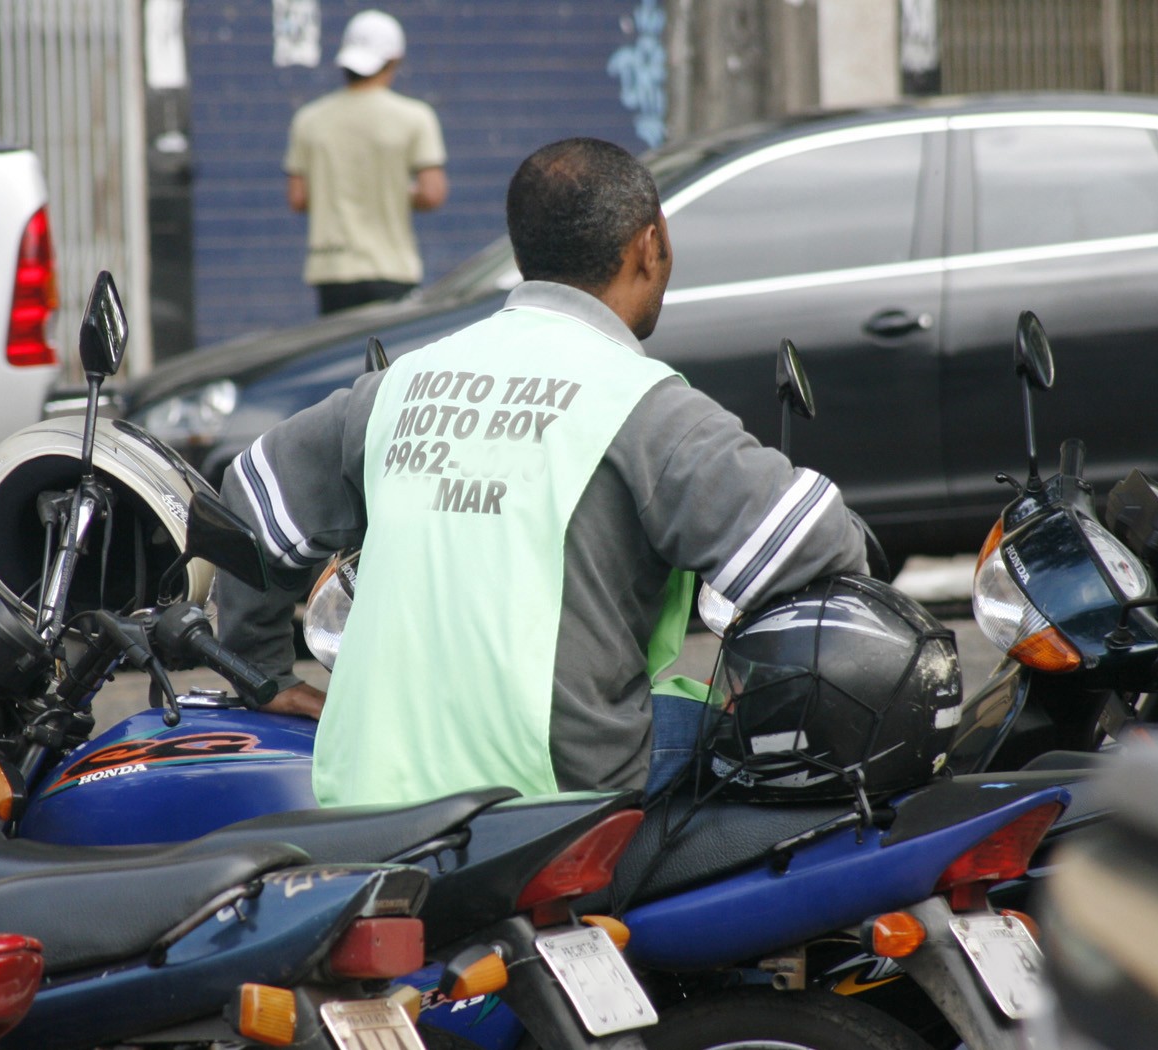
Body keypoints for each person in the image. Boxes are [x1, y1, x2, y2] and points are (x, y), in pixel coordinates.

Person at [219, 137, 868, 807]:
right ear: (648, 246)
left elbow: (250, 497)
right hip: (550, 789)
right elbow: (817, 542)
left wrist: (260, 675)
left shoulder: (398, 385)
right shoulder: (641, 405)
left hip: (365, 782)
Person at [284, 9, 448, 315]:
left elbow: (298, 197)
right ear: (394, 60)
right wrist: (392, 190)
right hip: (392, 267)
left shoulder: (308, 120)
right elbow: (432, 193)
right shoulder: (415, 117)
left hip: (331, 269)